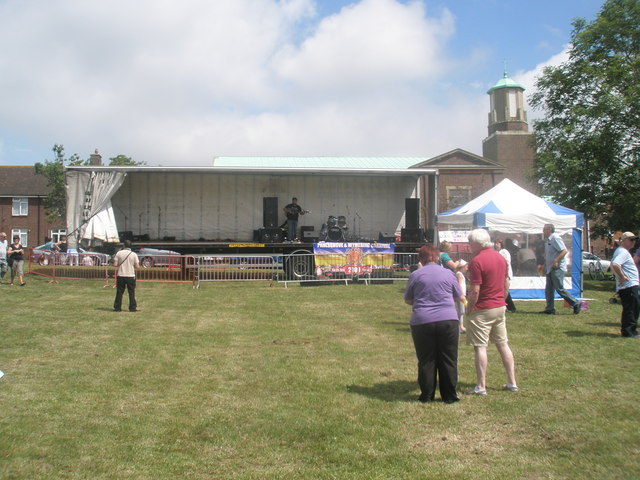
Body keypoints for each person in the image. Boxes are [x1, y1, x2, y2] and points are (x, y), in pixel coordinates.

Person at [404, 244, 465, 404]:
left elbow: (408, 300)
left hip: (422, 321)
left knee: (426, 359)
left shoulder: (415, 275)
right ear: (437, 257)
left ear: (421, 259)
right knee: (449, 358)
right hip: (448, 319)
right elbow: (459, 296)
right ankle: (449, 395)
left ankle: (427, 395)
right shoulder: (448, 273)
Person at [465, 228, 517, 395]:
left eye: (470, 243)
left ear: (476, 244)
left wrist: (469, 309)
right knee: (503, 344)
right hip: (499, 306)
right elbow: (506, 283)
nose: (468, 246)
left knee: (480, 347)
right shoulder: (500, 257)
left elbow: (474, 291)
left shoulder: (476, 261)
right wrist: (502, 298)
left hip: (483, 309)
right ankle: (512, 382)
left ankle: (481, 386)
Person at [541, 224, 581, 315]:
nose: (543, 230)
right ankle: (550, 309)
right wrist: (545, 264)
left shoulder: (555, 238)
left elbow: (564, 251)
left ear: (550, 229)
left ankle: (575, 303)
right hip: (550, 268)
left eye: (544, 229)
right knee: (549, 289)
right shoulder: (548, 240)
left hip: (557, 268)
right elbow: (549, 254)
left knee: (559, 288)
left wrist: (556, 260)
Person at [610, 232, 640, 338]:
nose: (633, 242)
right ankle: (628, 332)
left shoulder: (621, 251)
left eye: (634, 240)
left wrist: (619, 277)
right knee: (631, 309)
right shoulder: (623, 252)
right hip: (629, 286)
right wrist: (622, 277)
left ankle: (631, 330)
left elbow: (612, 265)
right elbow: (615, 265)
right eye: (631, 239)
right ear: (623, 240)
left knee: (632, 308)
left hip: (628, 285)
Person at [113, 240, 140, 312]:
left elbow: (115, 265)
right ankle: (132, 307)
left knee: (119, 292)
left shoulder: (119, 253)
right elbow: (137, 266)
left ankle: (117, 307)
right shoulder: (134, 254)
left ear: (123, 245)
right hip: (130, 275)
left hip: (121, 274)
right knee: (131, 292)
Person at [495, 239, 516, 312]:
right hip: (500, 273)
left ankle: (508, 306)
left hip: (505, 273)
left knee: (505, 290)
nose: (496, 245)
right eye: (495, 243)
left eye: (497, 244)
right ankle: (509, 306)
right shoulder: (497, 252)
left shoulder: (504, 251)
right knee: (503, 290)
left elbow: (507, 262)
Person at [455, 260, 469, 333]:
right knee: (460, 311)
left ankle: (461, 326)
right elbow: (459, 284)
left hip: (462, 295)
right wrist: (461, 294)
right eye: (466, 267)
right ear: (462, 267)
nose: (467, 268)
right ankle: (459, 327)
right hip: (461, 295)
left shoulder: (460, 274)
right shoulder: (459, 274)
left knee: (462, 311)